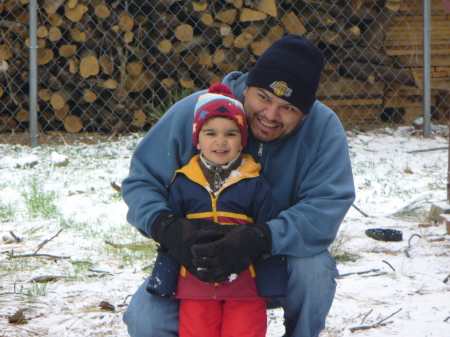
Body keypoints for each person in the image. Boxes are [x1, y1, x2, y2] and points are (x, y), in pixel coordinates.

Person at [122, 34, 356, 337]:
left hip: (274, 256)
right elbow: (142, 180)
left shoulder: (323, 129)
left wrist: (262, 238)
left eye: (287, 108)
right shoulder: (200, 112)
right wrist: (167, 228)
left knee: (315, 270)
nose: (270, 115)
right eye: (264, 98)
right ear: (247, 87)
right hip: (196, 259)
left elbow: (326, 205)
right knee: (145, 321)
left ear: (305, 113)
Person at [146, 83, 287, 337]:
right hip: (195, 286)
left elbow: (267, 231)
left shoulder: (254, 182)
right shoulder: (182, 182)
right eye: (210, 133)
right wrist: (164, 281)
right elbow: (170, 240)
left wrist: (270, 284)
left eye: (230, 134)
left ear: (242, 140)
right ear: (197, 140)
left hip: (245, 288)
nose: (220, 141)